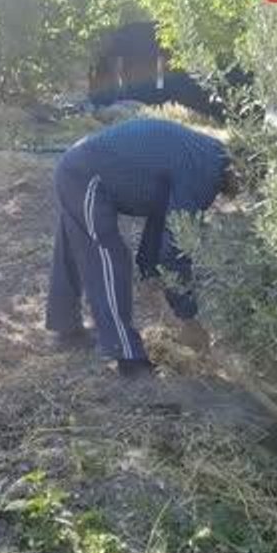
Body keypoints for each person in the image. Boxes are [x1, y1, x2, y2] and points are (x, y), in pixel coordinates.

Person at [45, 118, 236, 378]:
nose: (239, 193)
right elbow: (177, 244)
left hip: (79, 166)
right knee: (108, 258)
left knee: (73, 244)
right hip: (85, 175)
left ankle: (65, 328)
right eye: (246, 186)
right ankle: (127, 357)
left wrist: (148, 270)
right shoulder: (204, 174)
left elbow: (163, 216)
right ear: (239, 171)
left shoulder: (208, 154)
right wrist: (188, 317)